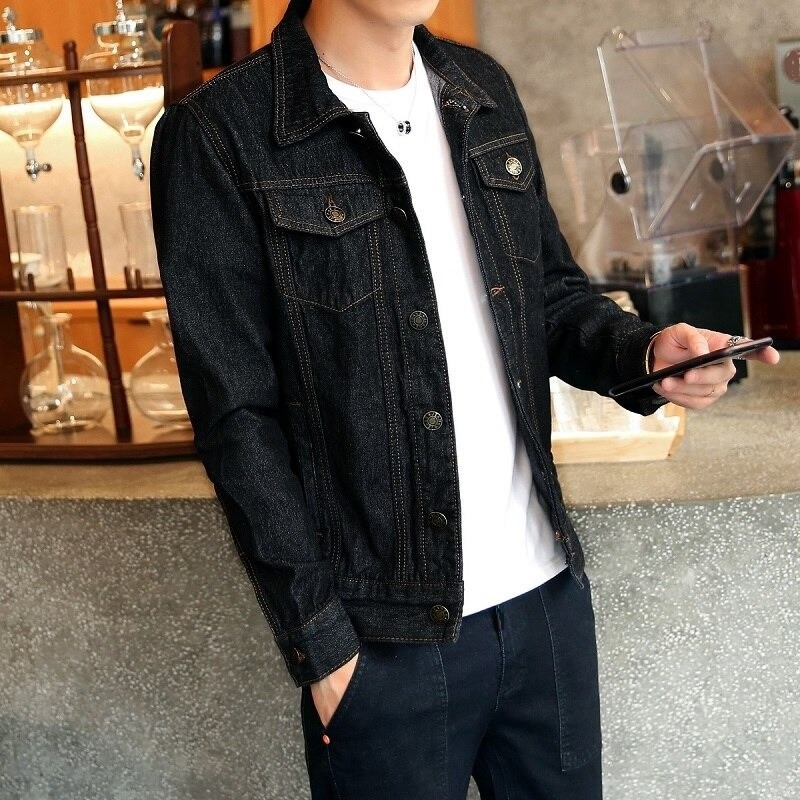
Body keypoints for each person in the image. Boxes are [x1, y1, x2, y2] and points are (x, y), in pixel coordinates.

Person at [149, 1, 780, 797]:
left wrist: (645, 353)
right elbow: (237, 418)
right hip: (385, 645)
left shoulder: (480, 88)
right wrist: (326, 649)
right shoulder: (220, 133)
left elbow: (548, 296)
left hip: (546, 605)